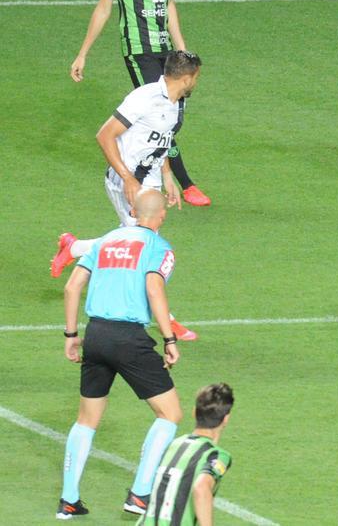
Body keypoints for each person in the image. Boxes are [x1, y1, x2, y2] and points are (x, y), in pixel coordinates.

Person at [52, 48, 202, 341]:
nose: (196, 82)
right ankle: (167, 320)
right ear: (186, 78)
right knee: (142, 247)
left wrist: (168, 176)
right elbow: (104, 135)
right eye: (196, 77)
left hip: (151, 181)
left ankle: (74, 248)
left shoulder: (177, 102)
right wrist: (127, 178)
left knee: (132, 241)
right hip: (128, 182)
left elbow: (162, 140)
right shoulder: (144, 98)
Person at [70, 0, 211, 208]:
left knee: (174, 116)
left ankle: (153, 165)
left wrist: (181, 47)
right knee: (162, 112)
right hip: (139, 50)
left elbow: (169, 3)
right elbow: (103, 9)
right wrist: (83, 54)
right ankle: (184, 183)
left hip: (166, 49)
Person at [57, 188, 184, 520]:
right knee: (170, 414)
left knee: (86, 419)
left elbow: (72, 286)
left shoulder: (105, 241)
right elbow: (154, 288)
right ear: (162, 216)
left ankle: (69, 500)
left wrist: (71, 335)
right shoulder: (159, 247)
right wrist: (169, 338)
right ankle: (140, 494)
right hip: (129, 339)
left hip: (96, 335)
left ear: (133, 211)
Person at [138, 383, 235, 526]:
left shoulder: (173, 445)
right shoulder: (215, 455)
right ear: (226, 419)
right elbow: (201, 487)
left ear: (194, 412)